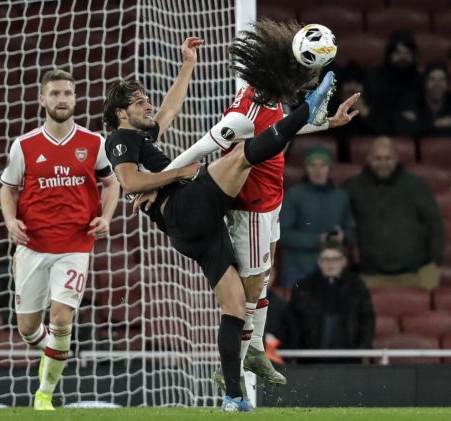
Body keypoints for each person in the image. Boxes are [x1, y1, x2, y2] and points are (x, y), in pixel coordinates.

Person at [104, 31, 336, 411]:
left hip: (193, 228)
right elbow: (129, 181)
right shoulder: (117, 140)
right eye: (137, 101)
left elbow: (169, 111)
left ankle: (233, 396)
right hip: (185, 206)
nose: (147, 104)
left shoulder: (143, 136)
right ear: (119, 113)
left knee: (234, 307)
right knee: (244, 153)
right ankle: (303, 113)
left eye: (146, 97)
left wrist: (188, 67)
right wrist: (176, 175)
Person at [160, 20, 359, 397]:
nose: (307, 82)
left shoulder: (270, 99)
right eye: (306, 74)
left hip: (272, 199)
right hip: (249, 207)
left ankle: (254, 350)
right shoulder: (243, 116)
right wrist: (160, 181)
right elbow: (202, 146)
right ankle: (236, 362)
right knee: (252, 284)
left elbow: (283, 129)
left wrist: (328, 123)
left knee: (264, 274)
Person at [0, 69, 120, 411]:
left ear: (76, 98)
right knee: (27, 328)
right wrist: (10, 221)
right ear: (42, 99)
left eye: (67, 93)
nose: (62, 99)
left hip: (75, 246)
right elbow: (7, 188)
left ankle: (44, 394)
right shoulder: (23, 145)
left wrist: (106, 217)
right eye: (55, 94)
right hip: (33, 245)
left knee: (62, 318)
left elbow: (111, 183)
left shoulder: (93, 142)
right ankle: (54, 350)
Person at [342, 137, 445, 290]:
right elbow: (340, 222)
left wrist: (435, 261)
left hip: (416, 272)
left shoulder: (416, 185)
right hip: (371, 274)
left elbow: (435, 225)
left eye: (388, 158)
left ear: (396, 159)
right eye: (378, 158)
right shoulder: (352, 187)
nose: (383, 163)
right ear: (369, 159)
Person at [285, 240, 375, 363]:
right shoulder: (304, 287)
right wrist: (295, 352)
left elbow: (367, 319)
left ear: (344, 261)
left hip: (350, 356)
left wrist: (363, 349)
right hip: (310, 358)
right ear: (319, 262)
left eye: (335, 259)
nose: (330, 264)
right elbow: (293, 322)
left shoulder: (357, 286)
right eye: (325, 259)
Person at [279, 144, 354, 287]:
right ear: (306, 168)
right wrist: (318, 240)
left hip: (334, 268)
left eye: (323, 165)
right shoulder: (294, 195)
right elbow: (282, 234)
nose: (317, 170)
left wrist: (343, 236)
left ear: (329, 168)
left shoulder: (341, 196)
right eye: (312, 165)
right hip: (299, 269)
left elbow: (351, 232)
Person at [394, 61, 451, 137]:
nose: (438, 85)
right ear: (425, 82)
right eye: (432, 79)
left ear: (447, 83)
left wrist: (420, 124)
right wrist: (436, 123)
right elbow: (403, 130)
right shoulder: (410, 100)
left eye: (442, 80)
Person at [368, 30, 422, 134]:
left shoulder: (420, 80)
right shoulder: (375, 77)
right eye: (398, 52)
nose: (403, 57)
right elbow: (376, 111)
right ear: (390, 54)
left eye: (407, 53)